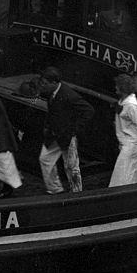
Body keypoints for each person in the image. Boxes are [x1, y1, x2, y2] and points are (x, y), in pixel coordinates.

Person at [37, 66, 94, 194]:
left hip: (67, 136)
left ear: (54, 83)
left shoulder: (69, 95)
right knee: (45, 159)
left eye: (45, 84)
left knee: (71, 166)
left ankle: (76, 193)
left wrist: (74, 130)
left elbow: (88, 111)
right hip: (55, 135)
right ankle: (55, 189)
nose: (42, 86)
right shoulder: (51, 92)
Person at [109, 74, 137, 187]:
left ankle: (121, 191)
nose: (115, 88)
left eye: (117, 86)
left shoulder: (131, 105)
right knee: (130, 169)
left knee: (124, 170)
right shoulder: (123, 101)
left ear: (122, 88)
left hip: (132, 143)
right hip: (125, 141)